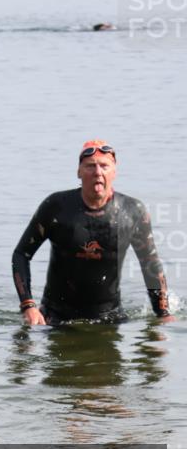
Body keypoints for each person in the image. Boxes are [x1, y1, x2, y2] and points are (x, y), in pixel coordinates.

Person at [12, 140, 174, 326]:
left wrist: (163, 313)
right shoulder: (56, 207)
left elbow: (150, 264)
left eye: (104, 166)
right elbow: (21, 254)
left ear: (114, 171)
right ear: (79, 172)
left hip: (110, 318)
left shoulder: (132, 211)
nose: (98, 172)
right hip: (55, 318)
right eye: (90, 166)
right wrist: (28, 306)